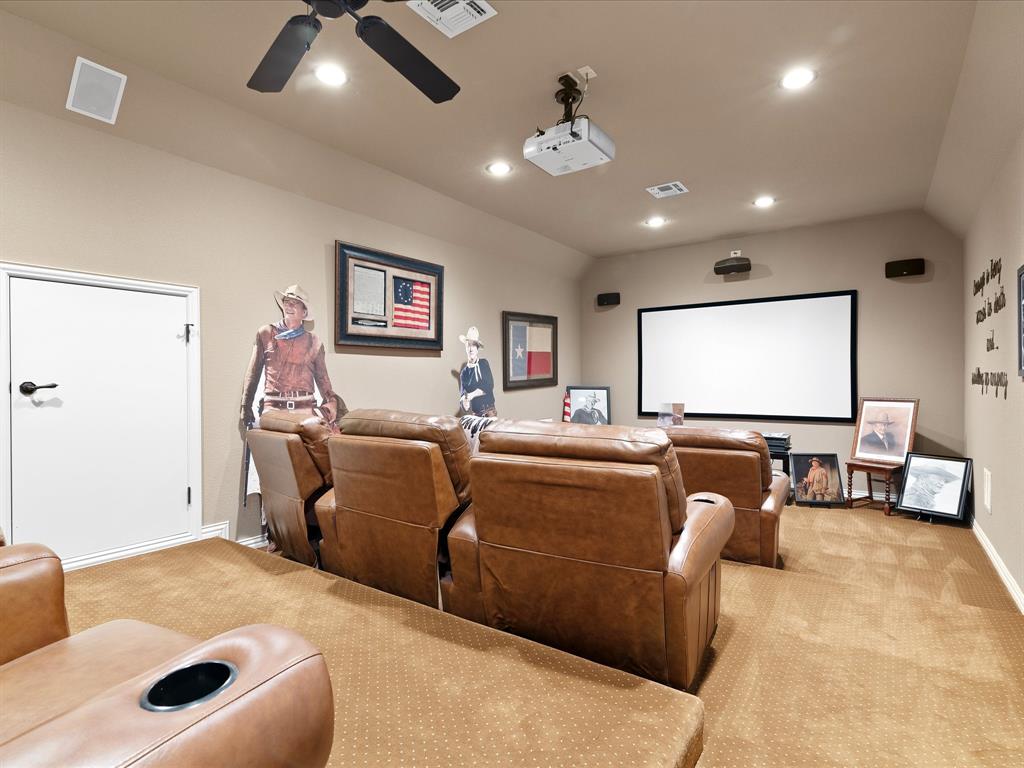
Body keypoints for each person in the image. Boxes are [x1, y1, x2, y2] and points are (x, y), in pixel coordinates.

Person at [240, 284, 345, 430]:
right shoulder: (266, 333)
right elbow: (253, 373)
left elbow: (323, 379)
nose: (289, 305)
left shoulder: (314, 342)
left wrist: (332, 403)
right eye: (286, 301)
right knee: (276, 447)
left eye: (295, 303)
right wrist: (246, 405)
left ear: (304, 312)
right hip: (274, 409)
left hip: (305, 409)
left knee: (316, 445)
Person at [458, 326, 496, 417]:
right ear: (465, 348)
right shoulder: (464, 373)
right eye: (468, 345)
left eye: (473, 345)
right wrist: (465, 402)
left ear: (477, 348)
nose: (471, 349)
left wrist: (471, 395)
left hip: (489, 412)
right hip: (475, 414)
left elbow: (488, 386)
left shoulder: (483, 364)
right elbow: (463, 394)